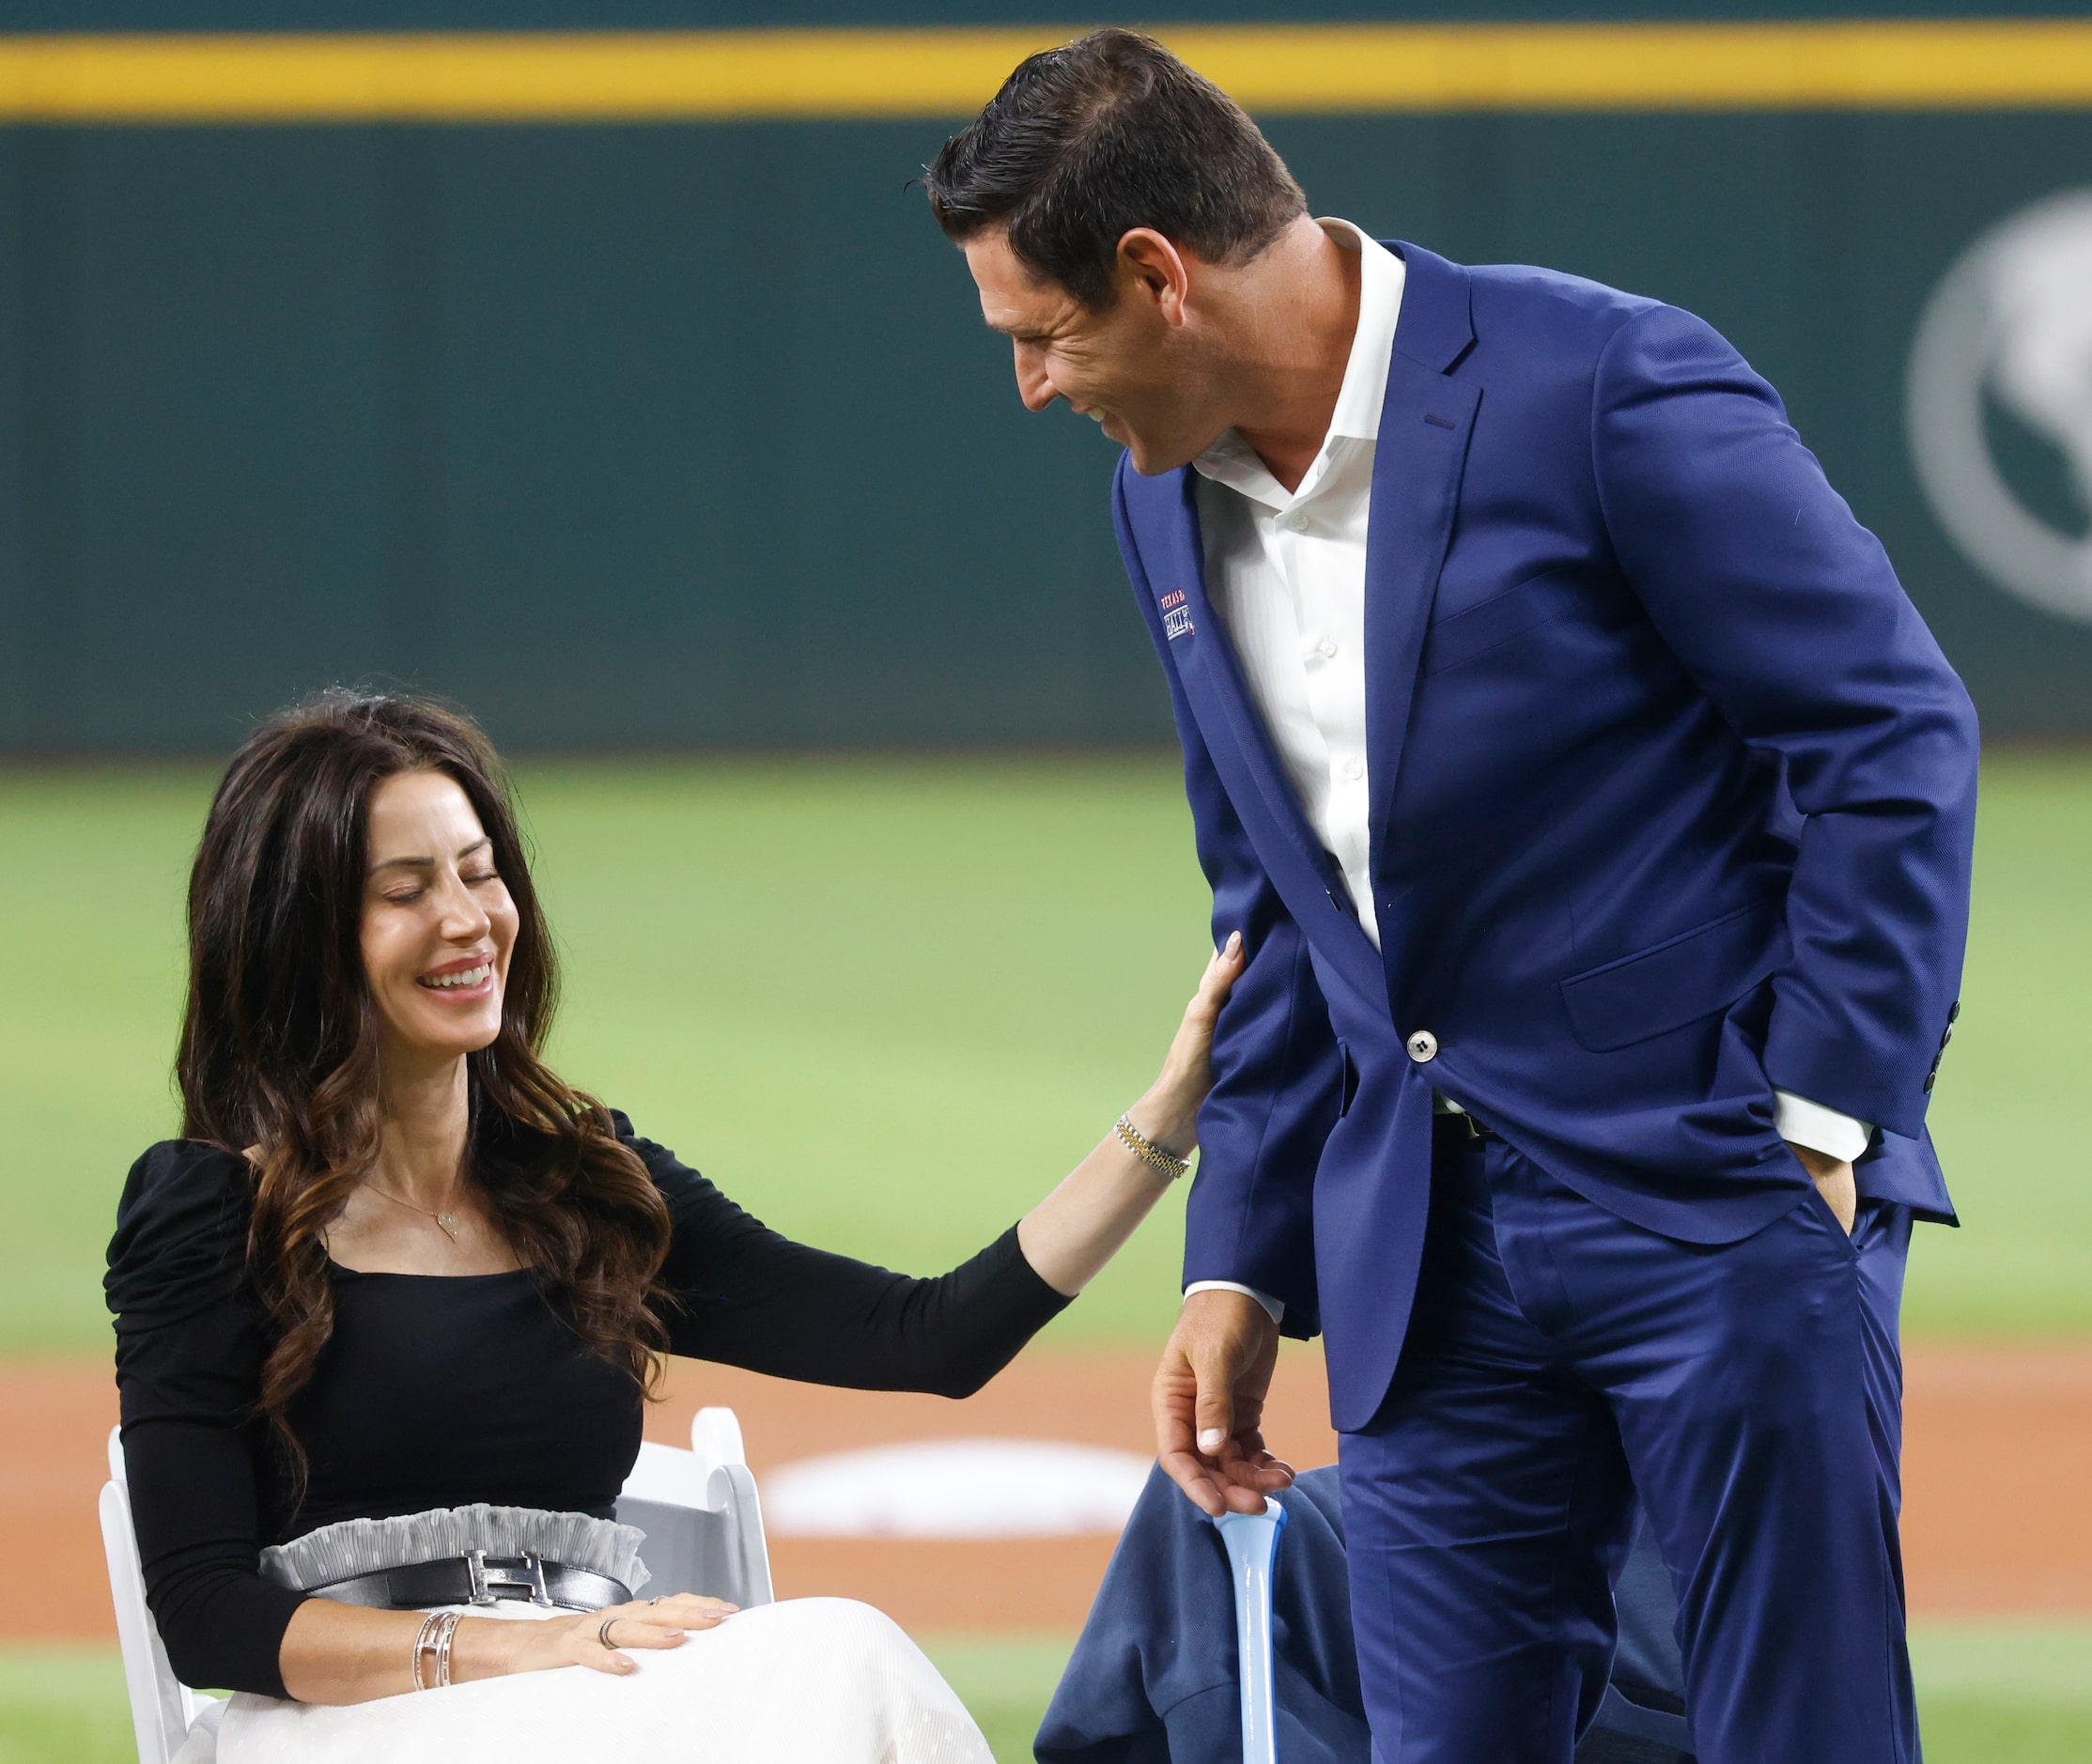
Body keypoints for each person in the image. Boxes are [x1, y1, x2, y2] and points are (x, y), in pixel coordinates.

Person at [925, 29, 1978, 1764]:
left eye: (1042, 334)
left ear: (1155, 276)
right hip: (1421, 1251)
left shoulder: (1601, 381)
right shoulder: (1156, 503)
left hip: (1712, 1202)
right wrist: (1243, 1258)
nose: (1034, 385)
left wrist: (1824, 1113)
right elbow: (1270, 907)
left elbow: (1888, 728)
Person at [106, 688, 1245, 1764]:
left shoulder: (588, 1186)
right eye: (403, 891)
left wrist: (1168, 1115)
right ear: (297, 934)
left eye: (479, 872)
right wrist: (517, 1649)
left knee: (843, 1649)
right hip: (357, 1726)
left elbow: (926, 1338)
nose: (465, 920)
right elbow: (205, 1616)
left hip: (593, 1704)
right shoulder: (210, 1214)